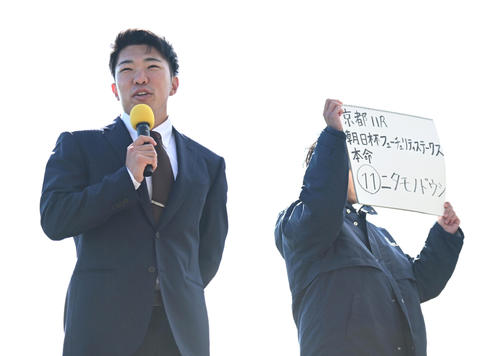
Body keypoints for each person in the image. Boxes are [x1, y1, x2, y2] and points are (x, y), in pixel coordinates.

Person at [40, 29, 228, 356]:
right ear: (115, 88)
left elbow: (207, 252)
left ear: (174, 83)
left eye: (152, 67)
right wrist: (126, 178)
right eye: (127, 70)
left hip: (180, 334)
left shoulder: (208, 164)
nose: (139, 78)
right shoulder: (80, 145)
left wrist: (176, 289)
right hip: (101, 328)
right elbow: (55, 218)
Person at [274, 98, 463, 356]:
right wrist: (334, 136)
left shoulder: (380, 236)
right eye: (352, 159)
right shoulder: (299, 221)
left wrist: (444, 235)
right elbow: (322, 202)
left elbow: (420, 284)